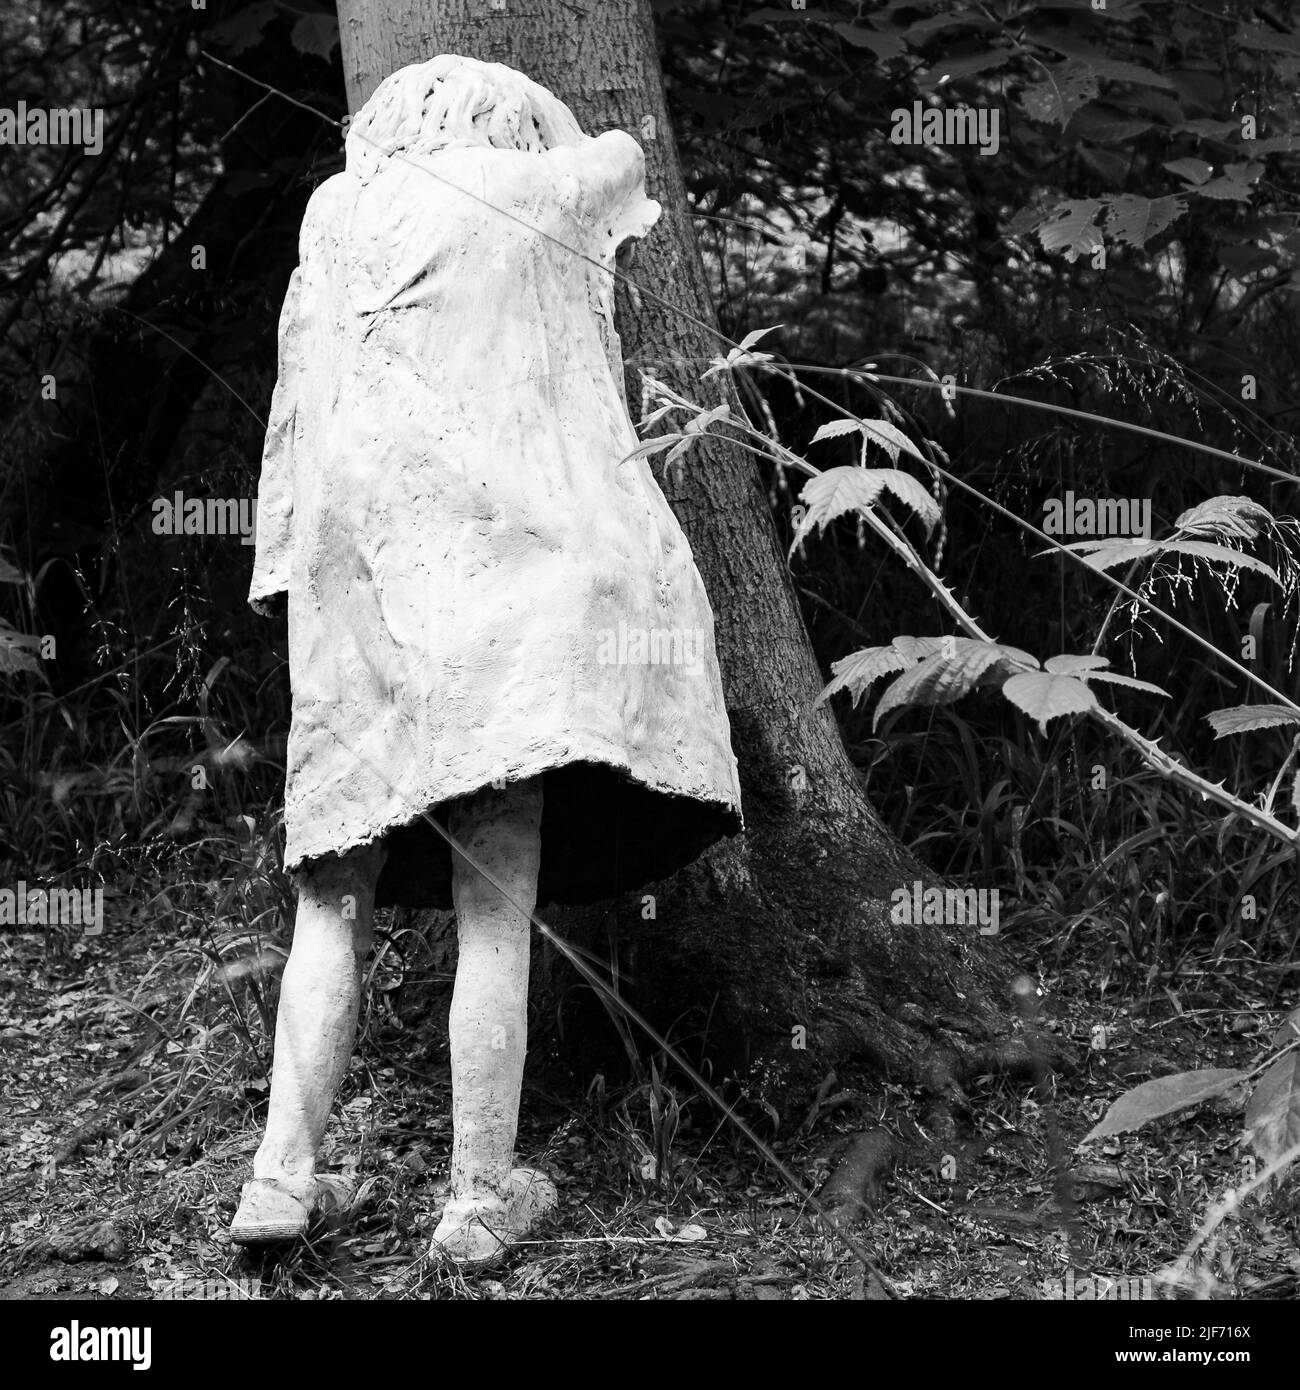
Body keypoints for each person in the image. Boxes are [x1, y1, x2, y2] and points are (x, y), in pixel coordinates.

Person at [233, 54, 742, 1266]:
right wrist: (547, 131)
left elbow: (295, 417)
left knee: (330, 901)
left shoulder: (333, 211)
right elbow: (621, 164)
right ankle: (474, 1195)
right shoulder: (542, 187)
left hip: (355, 608)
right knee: (492, 906)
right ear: (500, 123)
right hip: (510, 613)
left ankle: (279, 1176)